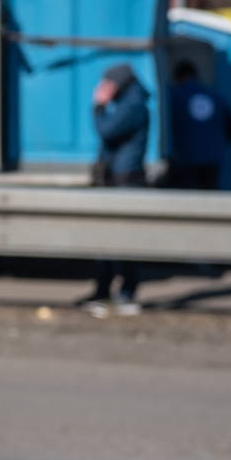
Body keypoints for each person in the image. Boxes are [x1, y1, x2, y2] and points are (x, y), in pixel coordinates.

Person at [84, 62, 151, 316]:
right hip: (117, 178)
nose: (103, 88)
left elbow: (107, 132)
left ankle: (126, 293)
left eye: (107, 84)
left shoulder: (132, 105)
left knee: (123, 239)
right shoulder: (129, 102)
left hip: (126, 180)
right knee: (107, 239)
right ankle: (103, 290)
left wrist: (98, 106)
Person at [166, 60, 231, 190]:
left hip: (183, 160)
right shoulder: (217, 97)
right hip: (212, 160)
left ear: (178, 77)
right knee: (208, 203)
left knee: (182, 203)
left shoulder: (174, 96)